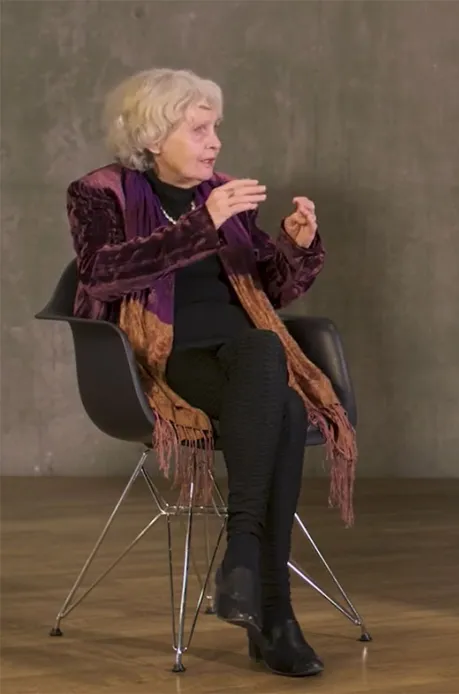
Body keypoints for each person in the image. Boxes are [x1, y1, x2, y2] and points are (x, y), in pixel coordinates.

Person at [66, 68, 358, 677]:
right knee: (282, 403)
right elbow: (101, 274)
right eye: (199, 129)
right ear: (153, 137)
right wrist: (201, 227)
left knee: (265, 354)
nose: (215, 141)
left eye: (216, 127)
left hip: (242, 357)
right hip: (163, 359)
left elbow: (268, 289)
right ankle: (270, 608)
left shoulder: (222, 192)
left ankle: (247, 567)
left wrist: (296, 245)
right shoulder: (100, 193)